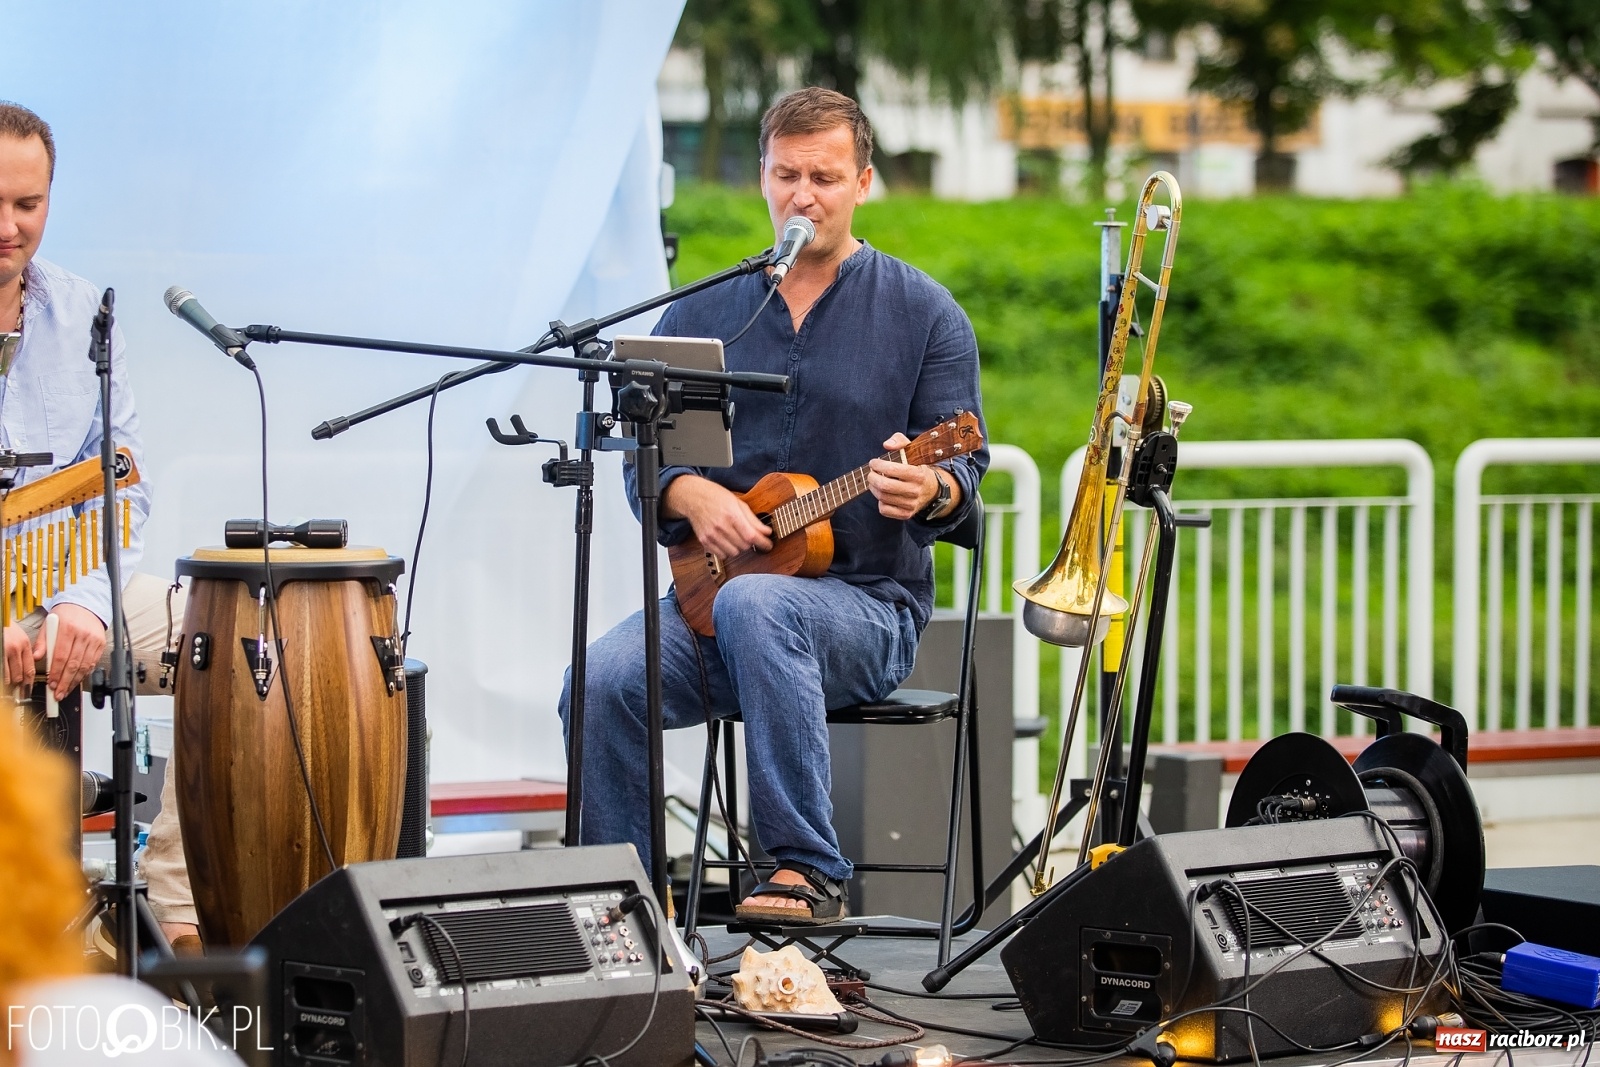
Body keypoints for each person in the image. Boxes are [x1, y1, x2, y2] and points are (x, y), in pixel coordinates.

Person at [560, 87, 987, 923]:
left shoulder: (925, 313)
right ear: (763, 177)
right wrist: (688, 491)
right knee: (602, 678)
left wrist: (928, 485)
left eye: (825, 176)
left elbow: (962, 475)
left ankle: (805, 866)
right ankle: (619, 908)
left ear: (864, 182)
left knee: (763, 603)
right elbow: (646, 460)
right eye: (788, 174)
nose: (804, 194)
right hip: (716, 601)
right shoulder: (708, 310)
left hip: (867, 609)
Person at [0, 102, 197, 948]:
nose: (9, 227)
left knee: (227, 636)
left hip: (67, 590)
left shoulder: (83, 313)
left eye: (27, 205)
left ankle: (176, 917)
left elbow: (124, 486)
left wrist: (84, 599)